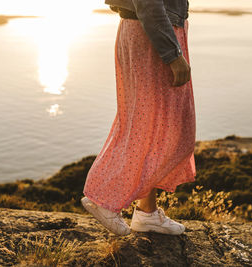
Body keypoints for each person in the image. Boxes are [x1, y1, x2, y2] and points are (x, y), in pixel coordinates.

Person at [81, 0, 196, 236]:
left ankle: (147, 213)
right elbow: (148, 3)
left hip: (154, 32)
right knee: (168, 131)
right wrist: (173, 54)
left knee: (153, 128)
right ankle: (103, 198)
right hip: (152, 36)